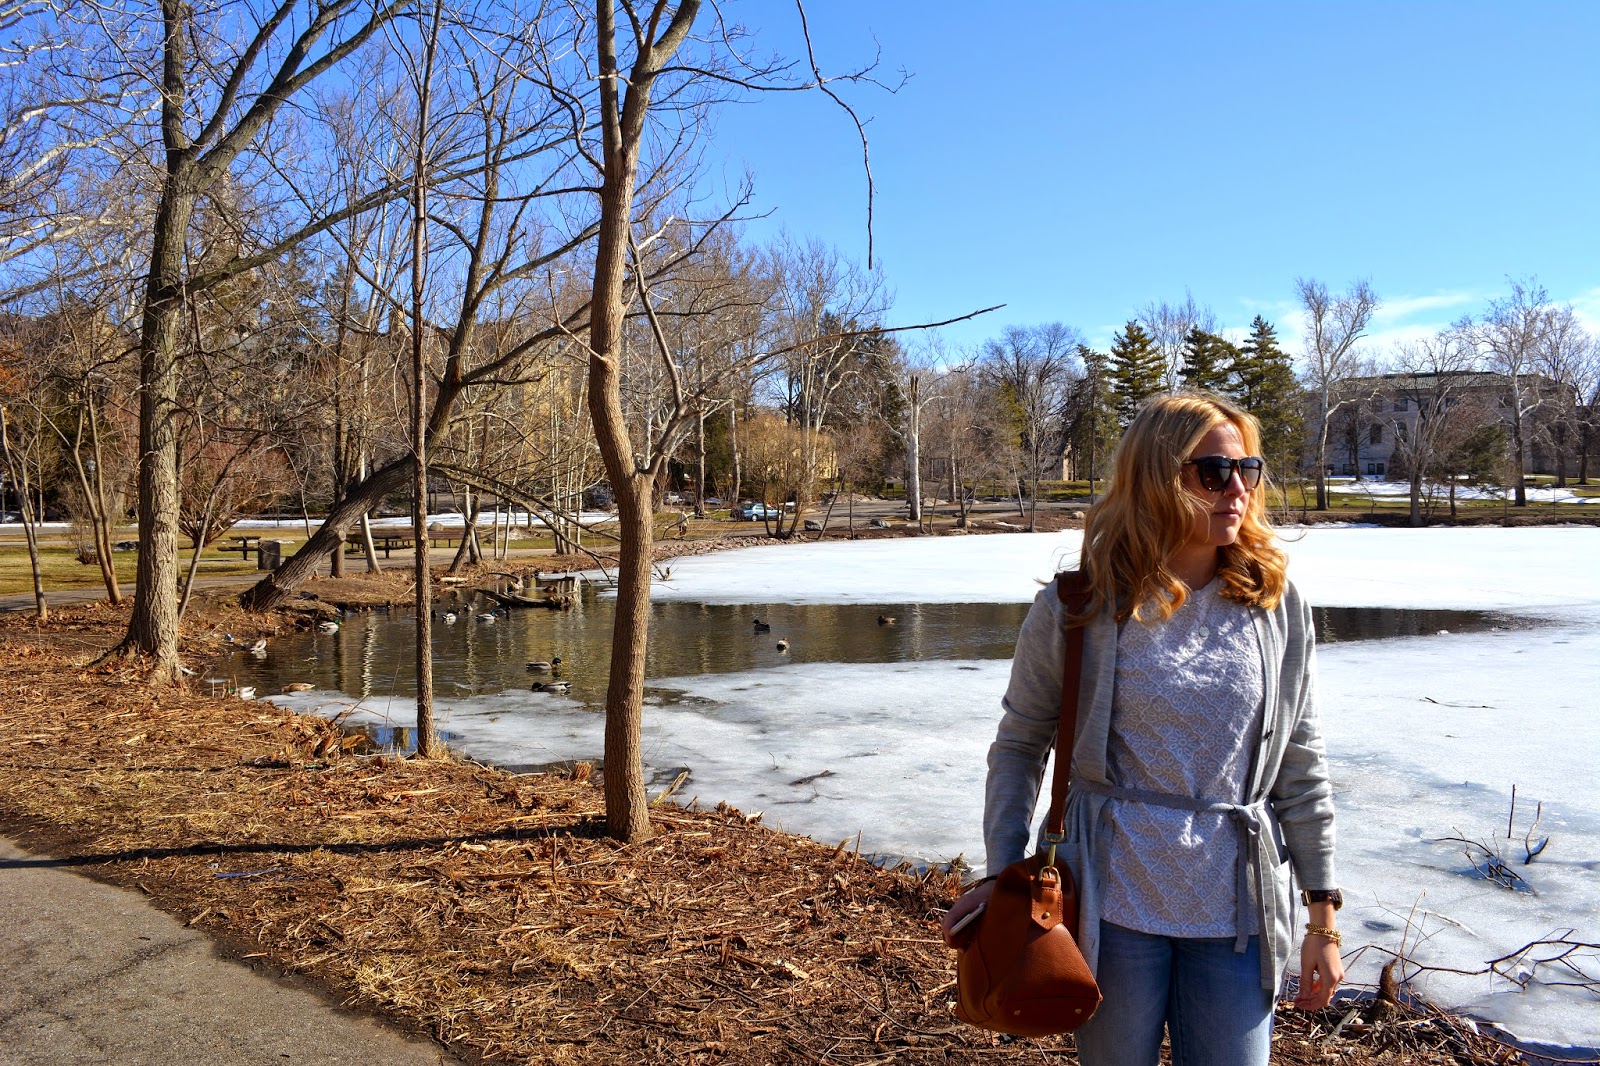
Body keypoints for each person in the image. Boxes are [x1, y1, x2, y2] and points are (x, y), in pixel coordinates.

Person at [942, 392, 1343, 1066]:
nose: (1236, 489)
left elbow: (1300, 762)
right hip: (1111, 907)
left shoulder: (1274, 604)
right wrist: (1002, 870)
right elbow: (1019, 746)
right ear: (1156, 478)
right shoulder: (1082, 604)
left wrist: (1322, 919)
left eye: (1248, 470)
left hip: (1237, 912)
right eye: (1213, 472)